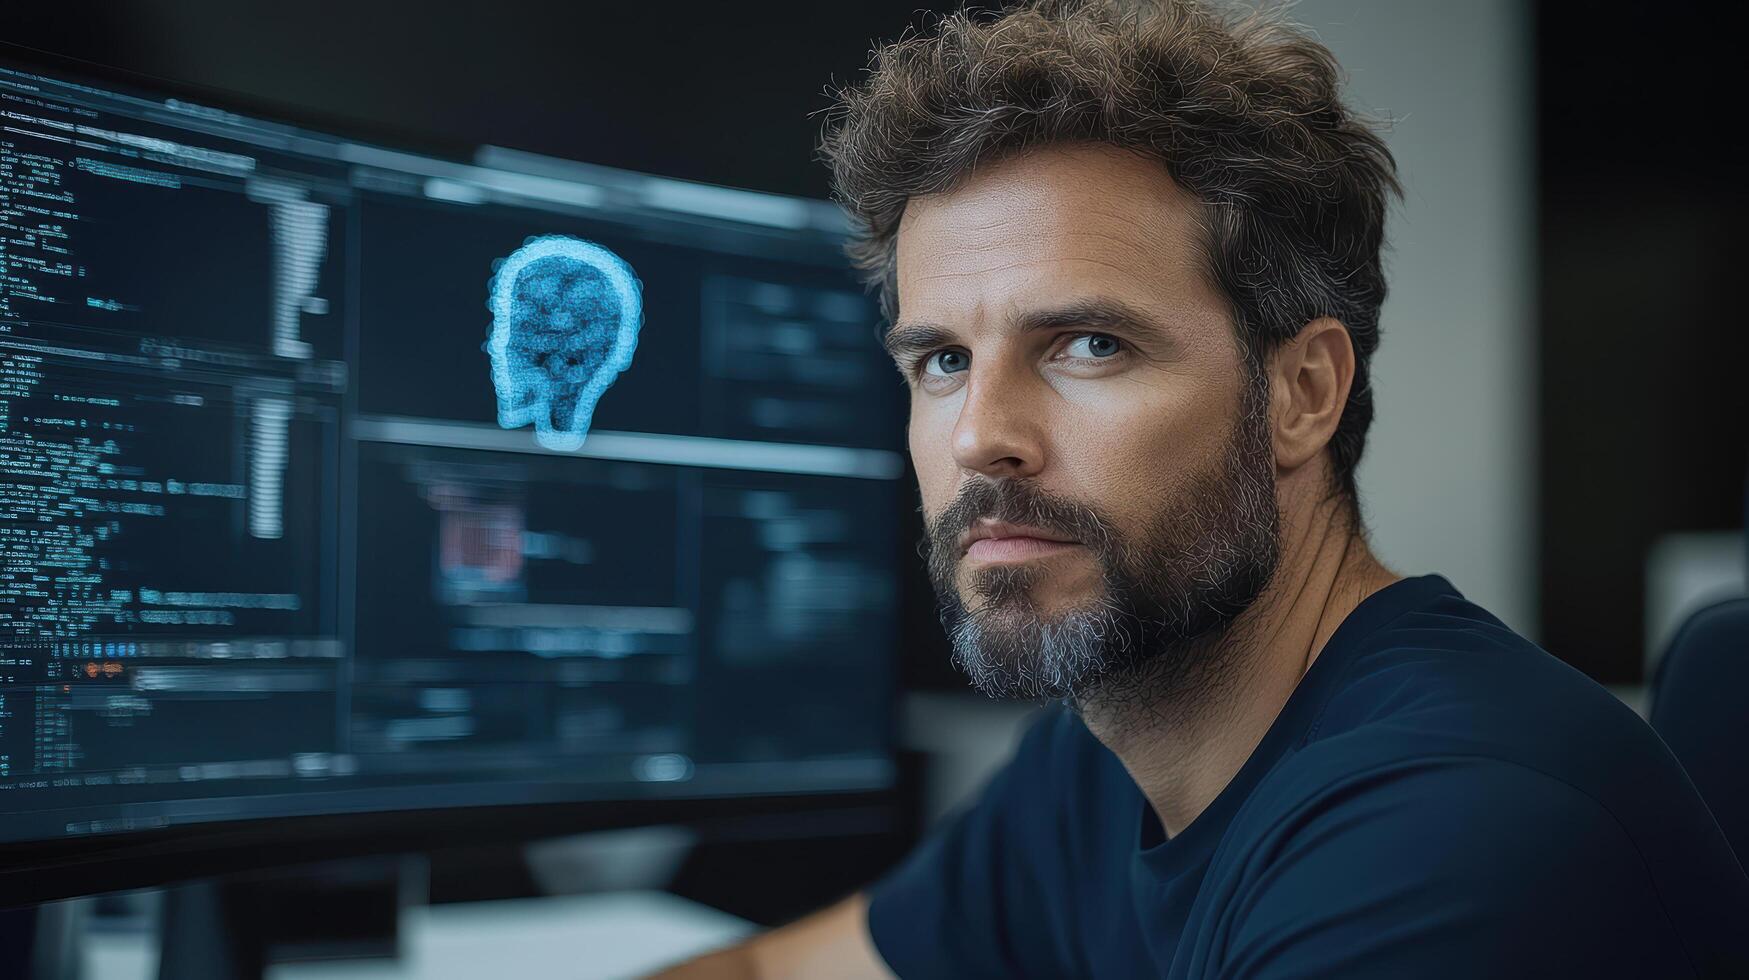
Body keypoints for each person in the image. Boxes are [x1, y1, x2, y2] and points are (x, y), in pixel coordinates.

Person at [654, 1, 1749, 976]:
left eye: (1089, 344)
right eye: (942, 360)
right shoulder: (1108, 746)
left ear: (1301, 393)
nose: (981, 436)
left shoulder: (1456, 831)